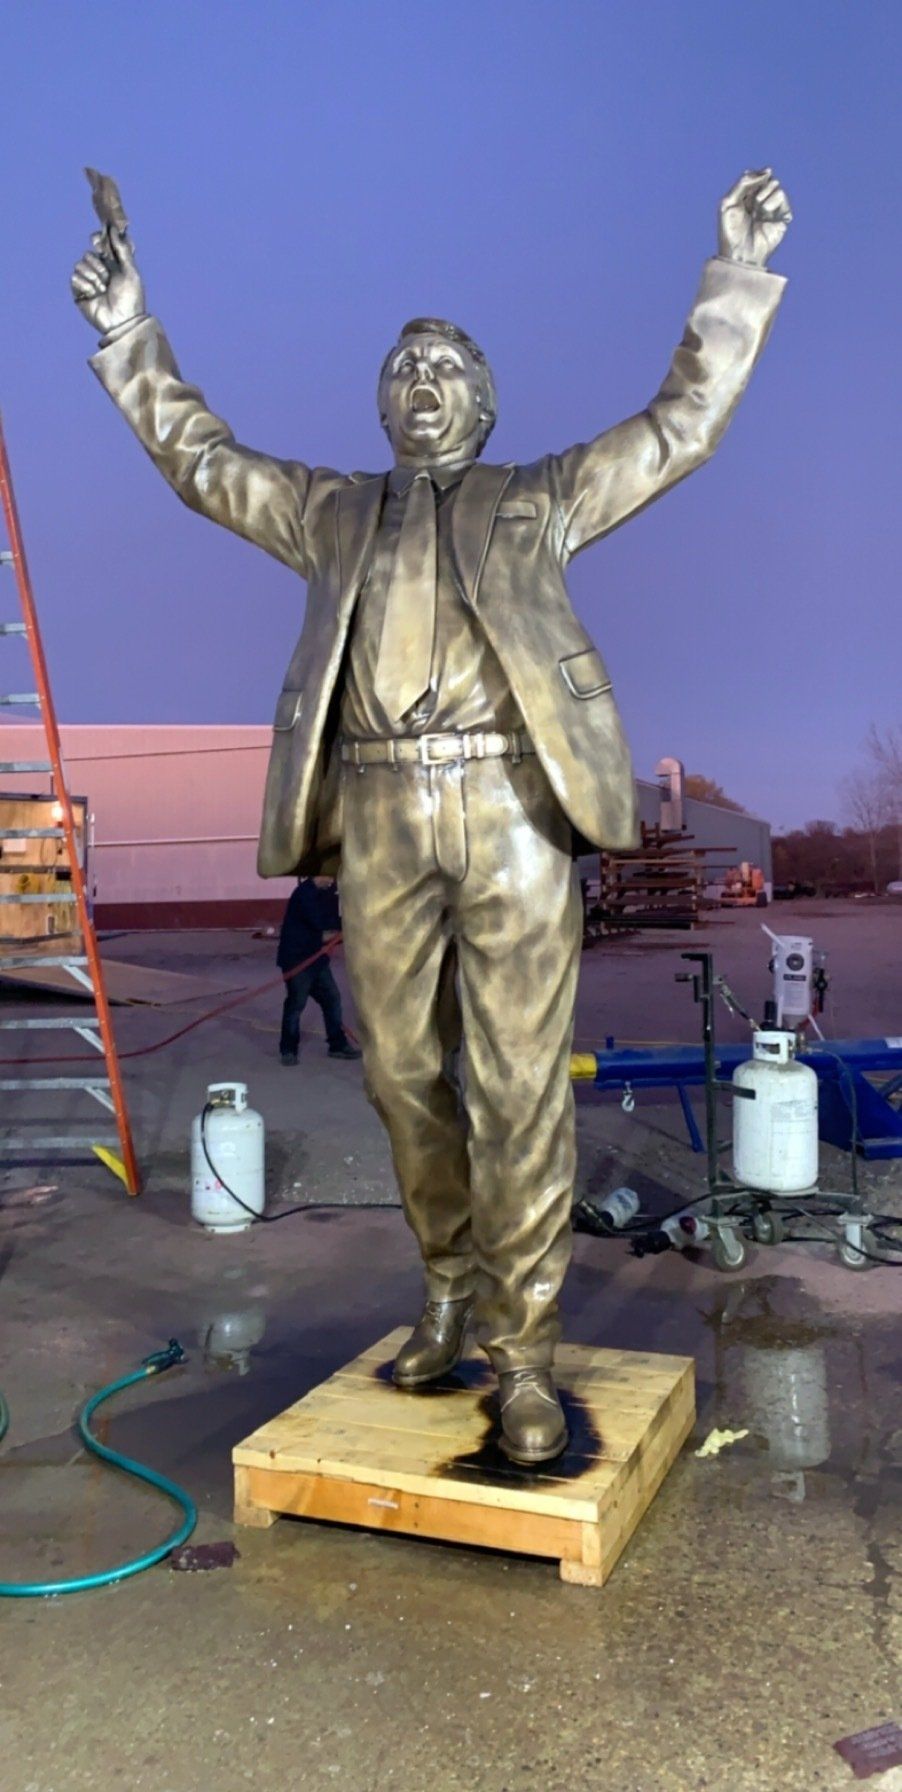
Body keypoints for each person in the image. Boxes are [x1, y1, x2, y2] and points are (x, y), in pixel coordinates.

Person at [72, 168, 791, 1462]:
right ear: (380, 402)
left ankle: (522, 1354)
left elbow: (680, 423)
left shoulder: (541, 497)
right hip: (383, 812)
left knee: (519, 1084)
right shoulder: (332, 512)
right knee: (403, 1076)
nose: (420, 386)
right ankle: (448, 1285)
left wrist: (732, 277)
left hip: (514, 803)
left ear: (484, 402)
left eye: (445, 370)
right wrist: (130, 334)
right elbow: (201, 460)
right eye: (402, 370)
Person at [277, 876, 361, 1064]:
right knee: (296, 1005)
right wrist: (352, 931)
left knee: (332, 999)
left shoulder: (328, 892)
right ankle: (288, 1050)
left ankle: (337, 1046)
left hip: (317, 961)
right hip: (297, 960)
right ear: (317, 874)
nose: (332, 881)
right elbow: (324, 932)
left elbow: (335, 923)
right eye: (329, 876)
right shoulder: (304, 895)